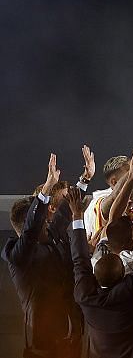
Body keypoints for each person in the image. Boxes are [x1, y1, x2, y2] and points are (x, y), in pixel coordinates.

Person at [3, 151, 93, 358]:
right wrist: (46, 189)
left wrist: (85, 178)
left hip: (71, 334)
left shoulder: (49, 236)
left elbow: (63, 213)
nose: (49, 221)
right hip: (43, 346)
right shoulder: (19, 256)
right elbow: (31, 230)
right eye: (44, 220)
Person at [67, 185, 133, 358]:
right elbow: (80, 259)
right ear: (123, 274)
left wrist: (77, 215)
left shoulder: (85, 296)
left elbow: (79, 259)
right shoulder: (130, 291)